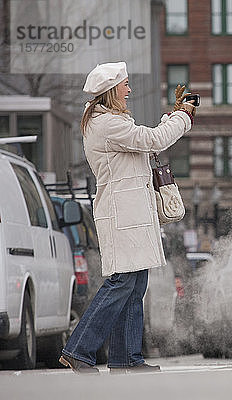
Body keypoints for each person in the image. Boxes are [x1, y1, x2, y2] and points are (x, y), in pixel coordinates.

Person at [59, 61, 196, 374]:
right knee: (122, 283)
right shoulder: (107, 124)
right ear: (111, 90)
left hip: (130, 213)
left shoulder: (108, 122)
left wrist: (170, 119)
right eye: (125, 85)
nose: (130, 90)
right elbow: (153, 140)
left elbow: (146, 139)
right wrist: (182, 118)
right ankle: (78, 349)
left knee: (134, 286)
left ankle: (126, 358)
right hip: (123, 214)